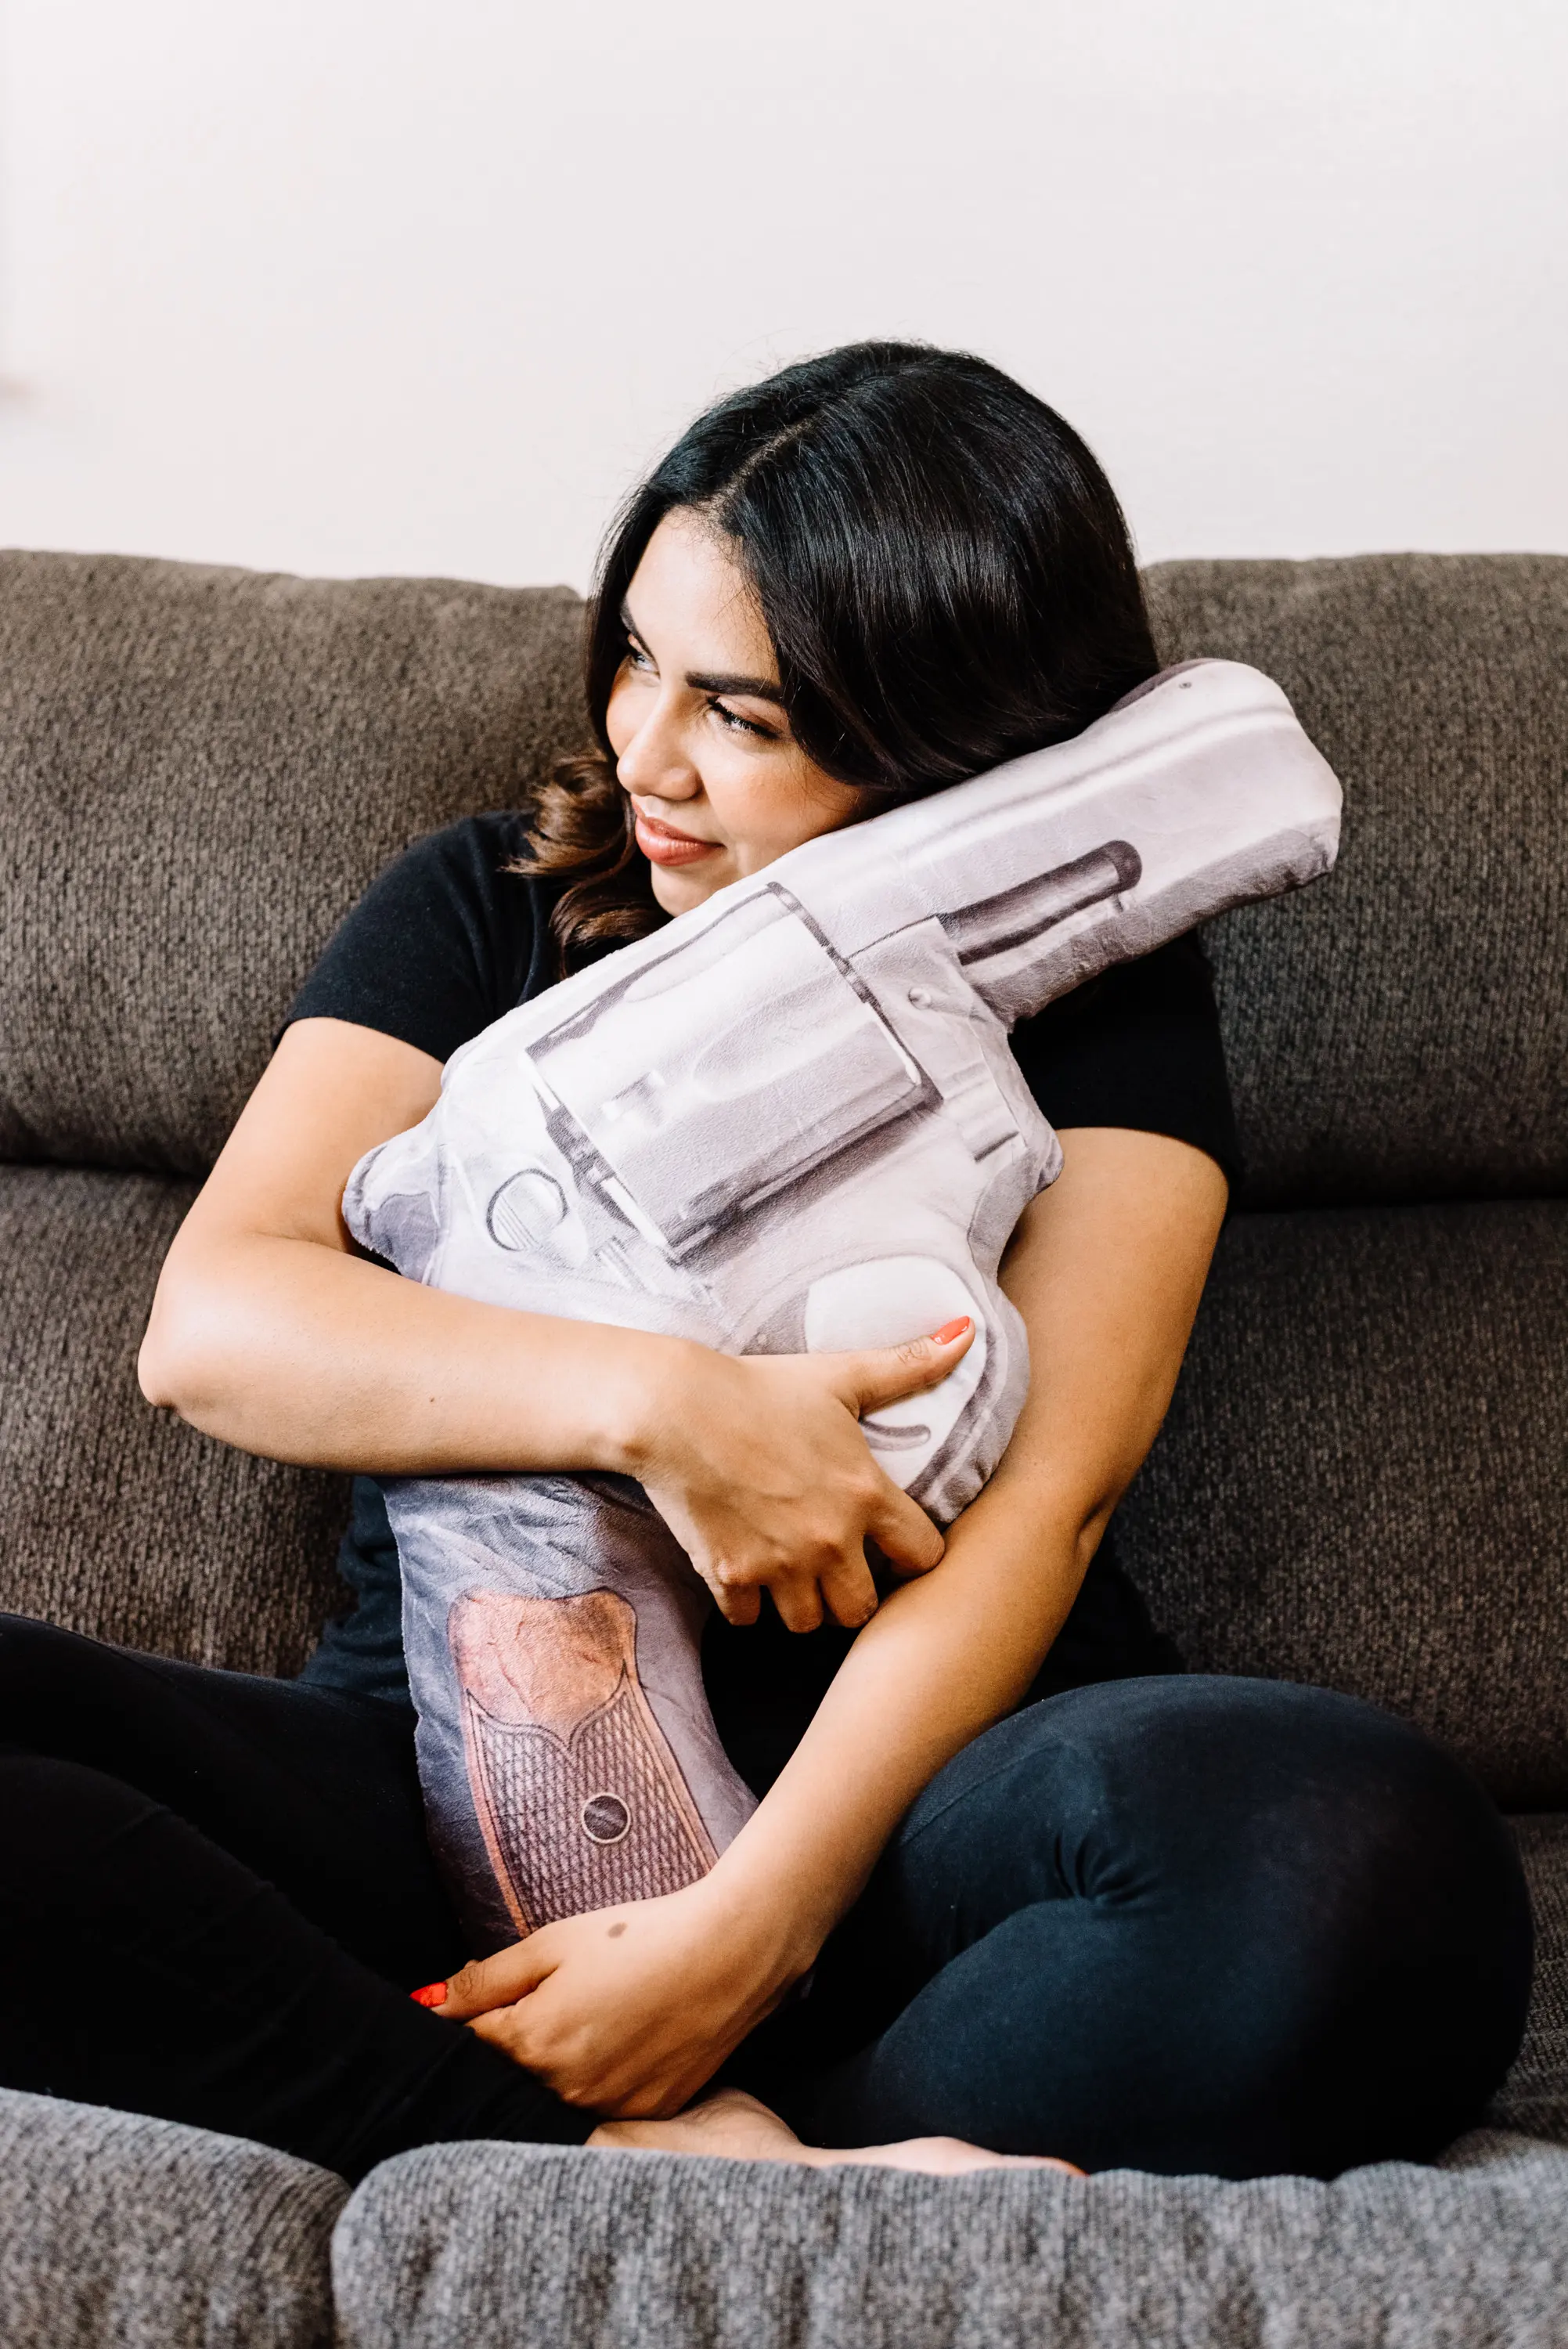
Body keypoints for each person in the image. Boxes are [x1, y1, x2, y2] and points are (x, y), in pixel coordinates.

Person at [0, 344, 1529, 2189]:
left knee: (1348, 1860)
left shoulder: (1093, 977)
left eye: (743, 714)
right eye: (635, 660)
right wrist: (669, 1411)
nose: (644, 755)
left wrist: (744, 1933)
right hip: (451, 1787)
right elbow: (216, 1323)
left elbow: (1045, 1505)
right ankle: (645, 2173)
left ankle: (698, 2151)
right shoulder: (489, 903)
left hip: (906, 1830)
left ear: (948, 737)